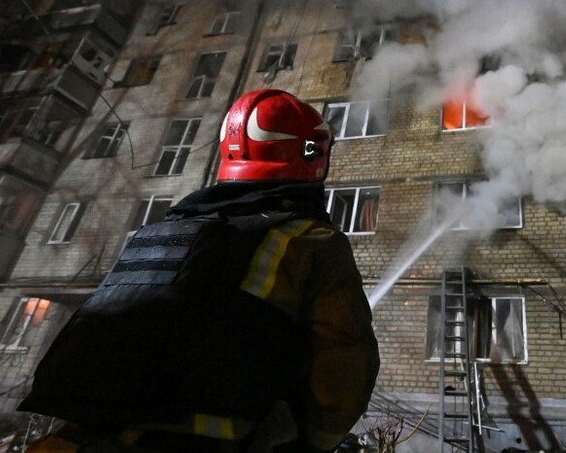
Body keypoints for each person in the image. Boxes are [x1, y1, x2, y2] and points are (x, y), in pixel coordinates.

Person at [20, 89, 379, 453]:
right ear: (311, 153)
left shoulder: (158, 234)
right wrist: (314, 444)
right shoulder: (312, 240)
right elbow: (342, 365)